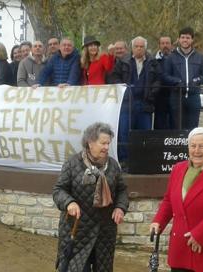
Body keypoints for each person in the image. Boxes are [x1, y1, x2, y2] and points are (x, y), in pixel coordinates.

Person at [150, 127, 203, 272]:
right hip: (180, 249)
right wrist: (158, 221)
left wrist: (200, 235)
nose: (196, 151)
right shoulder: (178, 169)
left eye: (201, 146)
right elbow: (169, 201)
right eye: (193, 146)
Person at [53, 122, 129, 271]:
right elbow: (58, 190)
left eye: (108, 143)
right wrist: (69, 203)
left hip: (105, 233)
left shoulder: (113, 166)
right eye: (103, 143)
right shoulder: (72, 164)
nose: (107, 147)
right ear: (90, 142)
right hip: (78, 231)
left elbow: (122, 191)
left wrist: (120, 208)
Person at [110, 36, 160, 163]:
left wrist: (152, 94)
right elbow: (114, 77)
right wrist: (124, 90)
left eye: (141, 46)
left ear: (145, 48)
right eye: (136, 46)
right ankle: (125, 160)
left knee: (145, 134)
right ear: (132, 48)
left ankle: (143, 161)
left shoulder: (153, 62)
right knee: (124, 133)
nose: (139, 49)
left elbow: (158, 80)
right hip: (127, 103)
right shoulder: (123, 61)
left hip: (145, 103)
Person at [164, 27, 203, 130]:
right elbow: (165, 76)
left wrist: (196, 80)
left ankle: (191, 146)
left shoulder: (200, 57)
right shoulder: (171, 57)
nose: (185, 40)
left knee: (193, 128)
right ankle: (178, 147)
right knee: (176, 128)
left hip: (193, 97)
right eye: (182, 37)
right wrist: (177, 81)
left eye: (188, 37)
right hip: (176, 97)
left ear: (192, 39)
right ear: (179, 39)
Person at [154, 36, 173, 129]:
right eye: (163, 43)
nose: (165, 45)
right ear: (159, 45)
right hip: (159, 97)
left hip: (174, 96)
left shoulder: (177, 59)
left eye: (167, 43)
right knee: (159, 125)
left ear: (171, 45)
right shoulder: (153, 60)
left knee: (174, 125)